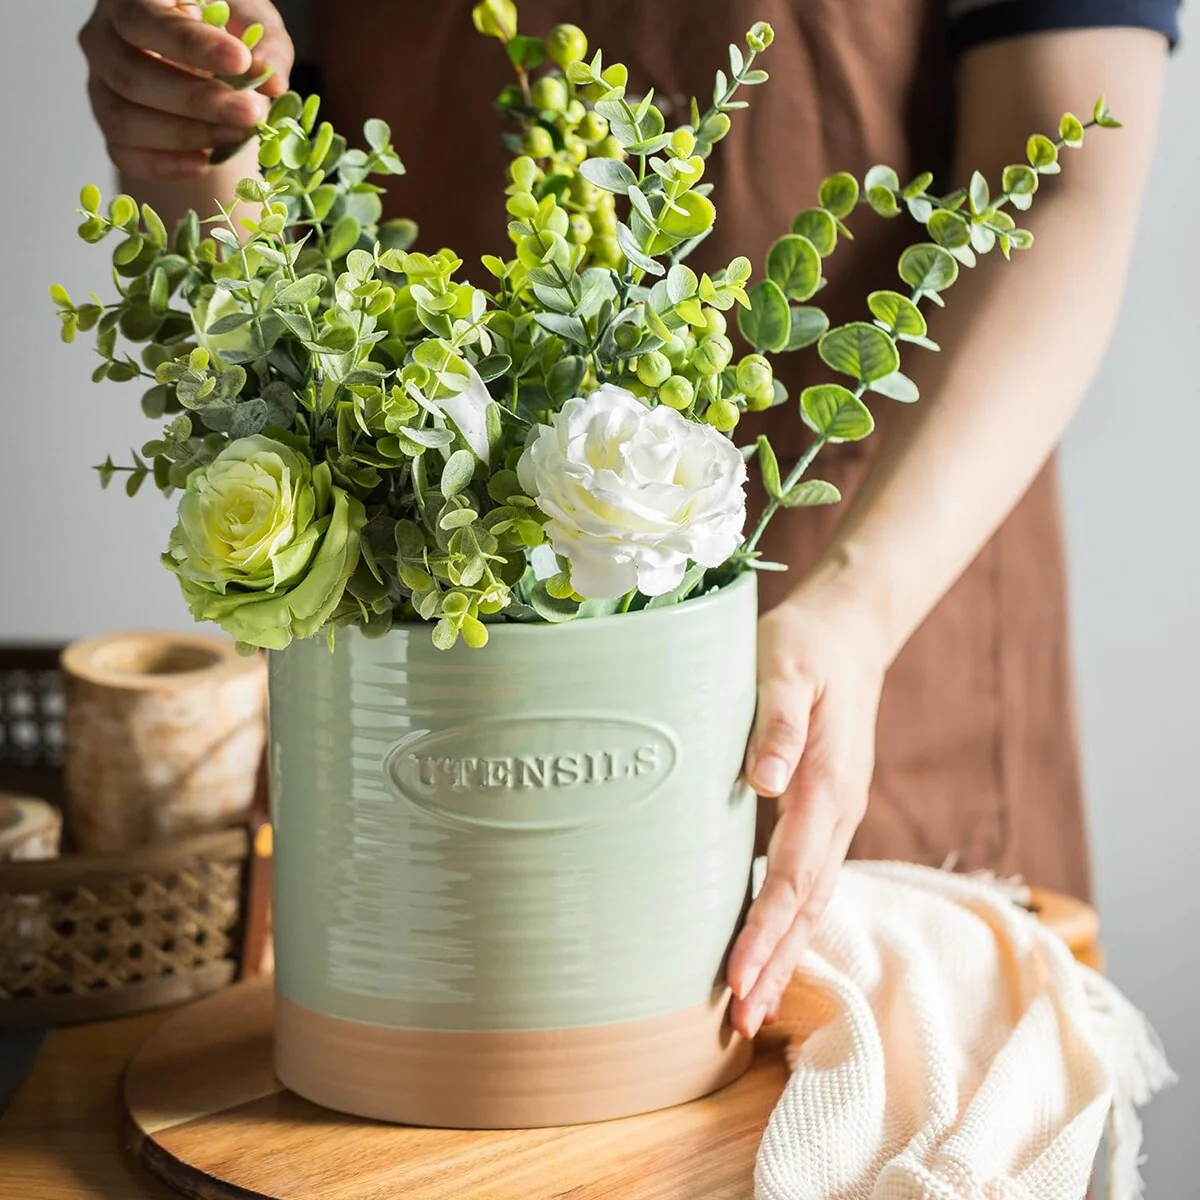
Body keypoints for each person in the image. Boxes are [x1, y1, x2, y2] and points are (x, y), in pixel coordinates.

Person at [77, 0, 1178, 1039]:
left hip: (879, 602)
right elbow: (260, 209)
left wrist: (857, 612)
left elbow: (1061, 176)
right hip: (438, 653)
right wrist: (193, 118)